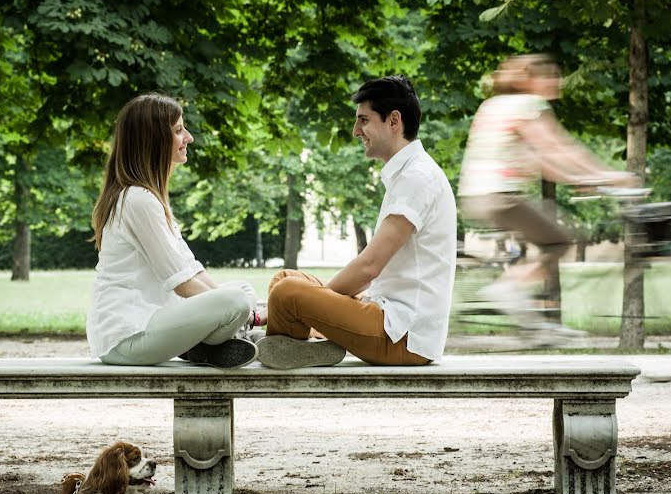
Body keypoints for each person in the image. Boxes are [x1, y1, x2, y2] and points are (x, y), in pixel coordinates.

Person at [254, 76, 457, 369]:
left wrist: (313, 300)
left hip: (402, 336)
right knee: (285, 280)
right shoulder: (410, 173)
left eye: (363, 120)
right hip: (385, 314)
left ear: (394, 121)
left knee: (287, 294)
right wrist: (318, 300)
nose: (355, 131)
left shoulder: (417, 178)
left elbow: (369, 267)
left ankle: (287, 344)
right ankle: (304, 346)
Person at [458, 54, 637, 327]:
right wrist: (609, 176)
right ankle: (506, 289)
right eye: (551, 75)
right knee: (559, 242)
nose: (558, 80)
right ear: (530, 79)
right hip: (501, 197)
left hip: (476, 197)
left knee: (541, 242)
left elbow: (542, 162)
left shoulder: (493, 104)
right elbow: (559, 148)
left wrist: (580, 178)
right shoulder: (529, 104)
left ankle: (531, 323)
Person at [87, 93, 259, 368]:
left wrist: (245, 307)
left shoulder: (149, 197)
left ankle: (211, 344)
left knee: (242, 289)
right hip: (128, 336)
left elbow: (191, 268)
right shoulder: (138, 200)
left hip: (153, 322)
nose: (188, 137)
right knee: (236, 301)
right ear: (154, 140)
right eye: (179, 130)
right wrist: (251, 315)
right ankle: (231, 338)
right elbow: (184, 284)